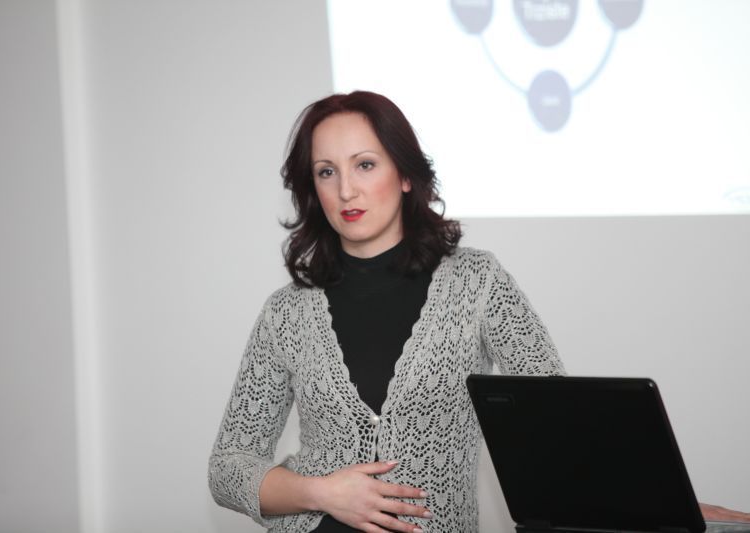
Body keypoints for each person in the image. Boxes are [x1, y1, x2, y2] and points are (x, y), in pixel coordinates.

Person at [207, 91, 749, 532]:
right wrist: (322, 493)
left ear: (405, 175)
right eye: (326, 172)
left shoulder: (477, 281)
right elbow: (228, 468)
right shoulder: (286, 312)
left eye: (365, 165)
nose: (346, 189)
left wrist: (661, 506)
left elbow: (557, 420)